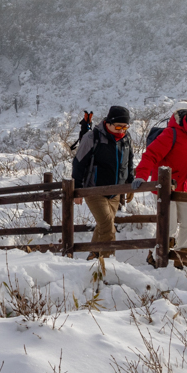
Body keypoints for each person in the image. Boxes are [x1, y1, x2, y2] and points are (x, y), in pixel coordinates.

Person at [135, 102, 187, 258]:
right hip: (166, 188)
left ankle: (181, 255)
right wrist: (141, 176)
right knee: (169, 225)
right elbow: (150, 155)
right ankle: (158, 255)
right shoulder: (172, 134)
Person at [70, 106, 135, 259]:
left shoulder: (126, 138)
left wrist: (130, 183)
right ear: (108, 122)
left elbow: (129, 162)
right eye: (118, 126)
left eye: (125, 126)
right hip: (94, 190)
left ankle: (94, 255)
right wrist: (77, 189)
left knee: (103, 226)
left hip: (115, 191)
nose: (121, 130)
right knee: (108, 227)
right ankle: (107, 262)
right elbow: (78, 163)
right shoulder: (92, 138)